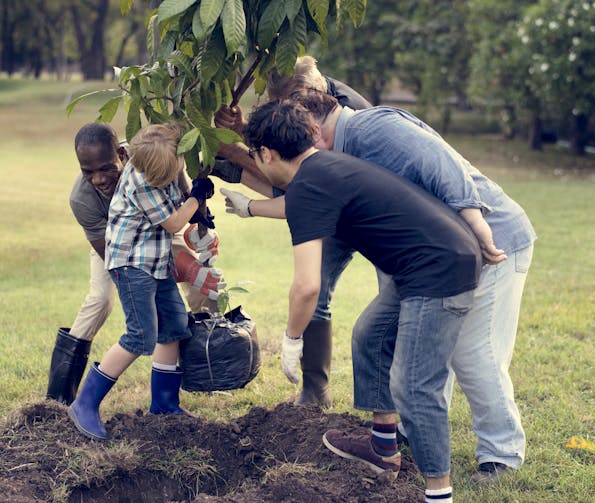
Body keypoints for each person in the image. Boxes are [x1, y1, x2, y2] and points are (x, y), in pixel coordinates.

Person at [224, 90, 537, 483]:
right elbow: (302, 201)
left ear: (317, 130)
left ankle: (499, 455)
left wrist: (476, 223)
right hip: (426, 258)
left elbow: (444, 165)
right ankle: (386, 441)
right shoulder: (329, 160)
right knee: (371, 334)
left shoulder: (374, 130)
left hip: (488, 241)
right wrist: (249, 206)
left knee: (464, 357)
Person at [211, 56, 372, 407]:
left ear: (314, 90)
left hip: (369, 211)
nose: (293, 112)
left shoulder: (348, 116)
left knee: (369, 312)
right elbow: (295, 183)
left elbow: (306, 187)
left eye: (296, 102)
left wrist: (238, 155)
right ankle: (315, 392)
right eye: (283, 106)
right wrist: (241, 132)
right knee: (318, 292)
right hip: (329, 205)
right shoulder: (302, 106)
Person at [46, 123, 223, 406]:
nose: (98, 179)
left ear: (122, 154)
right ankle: (60, 395)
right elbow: (113, 253)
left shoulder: (153, 154)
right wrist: (181, 266)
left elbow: (180, 197)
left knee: (196, 292)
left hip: (158, 231)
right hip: (118, 246)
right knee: (101, 300)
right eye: (88, 172)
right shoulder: (83, 199)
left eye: (105, 168)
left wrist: (199, 223)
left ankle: (208, 371)